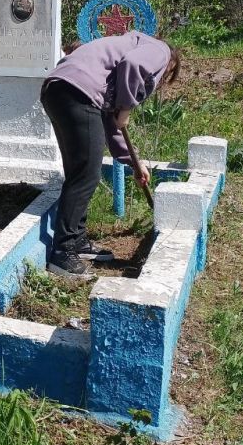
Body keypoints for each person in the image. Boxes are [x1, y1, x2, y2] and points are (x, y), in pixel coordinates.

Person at [40, 31, 181, 279]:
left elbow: (111, 122)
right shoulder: (161, 50)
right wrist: (127, 107)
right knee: (86, 175)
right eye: (164, 78)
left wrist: (134, 164)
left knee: (79, 172)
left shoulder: (123, 51)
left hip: (58, 89)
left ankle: (77, 240)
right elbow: (133, 66)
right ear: (169, 68)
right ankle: (62, 255)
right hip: (77, 93)